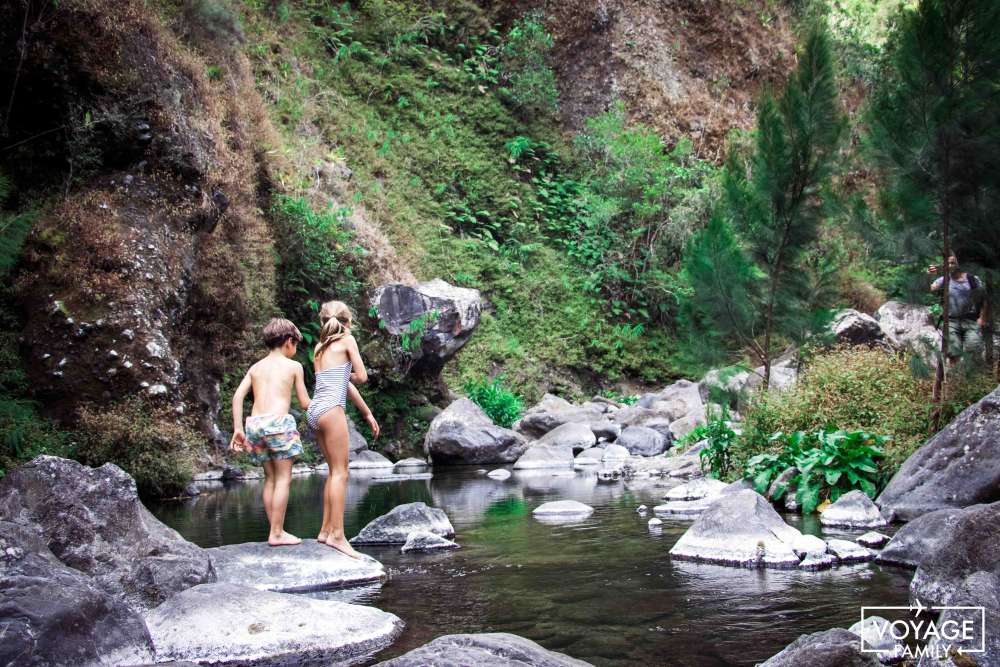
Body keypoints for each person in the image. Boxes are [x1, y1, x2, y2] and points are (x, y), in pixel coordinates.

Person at [229, 318, 311, 547]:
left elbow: (237, 397)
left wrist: (238, 428)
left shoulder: (256, 368)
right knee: (284, 478)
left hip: (254, 425)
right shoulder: (293, 366)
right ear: (288, 341)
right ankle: (277, 533)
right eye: (295, 344)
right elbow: (304, 403)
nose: (295, 349)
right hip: (279, 423)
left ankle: (274, 530)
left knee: (270, 478)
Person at [308, 300, 379, 558]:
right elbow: (360, 377)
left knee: (332, 472)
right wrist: (348, 371)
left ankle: (326, 531)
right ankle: (338, 536)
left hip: (315, 411)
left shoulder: (318, 348)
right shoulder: (347, 341)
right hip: (331, 410)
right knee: (341, 473)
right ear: (347, 323)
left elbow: (337, 381)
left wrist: (366, 412)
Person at [928, 253, 986, 363]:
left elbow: (984, 300)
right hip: (951, 320)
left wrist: (982, 318)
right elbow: (931, 289)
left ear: (959, 264)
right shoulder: (944, 280)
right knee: (953, 352)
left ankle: (971, 376)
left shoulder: (972, 279)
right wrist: (930, 275)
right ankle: (956, 376)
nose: (950, 266)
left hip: (971, 320)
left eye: (952, 263)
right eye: (947, 263)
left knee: (973, 348)